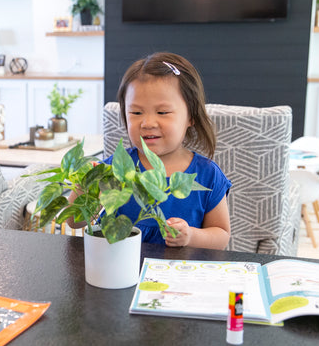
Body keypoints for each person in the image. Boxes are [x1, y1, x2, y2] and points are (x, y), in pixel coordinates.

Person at [70, 52, 231, 249]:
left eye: (162, 112)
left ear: (191, 116)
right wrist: (84, 186)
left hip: (178, 273)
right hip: (118, 271)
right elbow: (75, 221)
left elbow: (221, 236)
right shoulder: (117, 169)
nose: (147, 123)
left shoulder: (208, 175)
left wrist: (191, 236)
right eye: (136, 113)